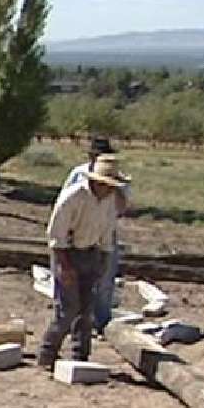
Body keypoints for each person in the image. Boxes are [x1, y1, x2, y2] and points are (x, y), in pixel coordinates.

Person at [37, 155, 130, 372]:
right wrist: (64, 266)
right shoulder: (73, 196)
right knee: (68, 309)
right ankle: (47, 354)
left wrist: (105, 261)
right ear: (96, 181)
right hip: (67, 252)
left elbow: (108, 232)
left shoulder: (110, 201)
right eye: (107, 185)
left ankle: (81, 356)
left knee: (87, 309)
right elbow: (55, 235)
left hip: (92, 253)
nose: (110, 190)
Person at [62, 137, 132, 334]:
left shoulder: (119, 178)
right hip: (76, 233)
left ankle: (101, 321)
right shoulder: (78, 174)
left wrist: (114, 187)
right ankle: (72, 320)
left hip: (103, 232)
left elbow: (122, 207)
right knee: (72, 279)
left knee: (105, 278)